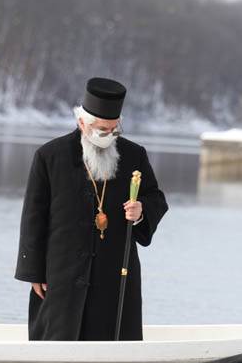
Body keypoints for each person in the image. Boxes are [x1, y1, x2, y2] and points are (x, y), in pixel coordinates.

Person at [15, 78, 168, 341]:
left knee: (113, 338)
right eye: (101, 130)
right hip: (60, 272)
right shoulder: (50, 156)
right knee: (58, 339)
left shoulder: (134, 155)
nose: (108, 136)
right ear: (82, 123)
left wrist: (141, 210)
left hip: (115, 271)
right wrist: (34, 273)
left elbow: (156, 198)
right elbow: (33, 217)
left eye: (113, 130)